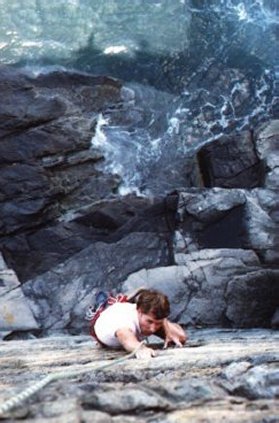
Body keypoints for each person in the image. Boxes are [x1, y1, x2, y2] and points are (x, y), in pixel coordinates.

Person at [90, 288, 187, 359]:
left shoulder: (148, 317)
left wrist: (167, 330)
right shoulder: (124, 323)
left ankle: (135, 297)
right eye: (149, 322)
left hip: (127, 308)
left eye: (158, 323)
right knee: (106, 303)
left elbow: (181, 337)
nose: (153, 328)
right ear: (139, 311)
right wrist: (141, 349)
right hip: (103, 318)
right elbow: (128, 341)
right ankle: (104, 300)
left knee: (179, 338)